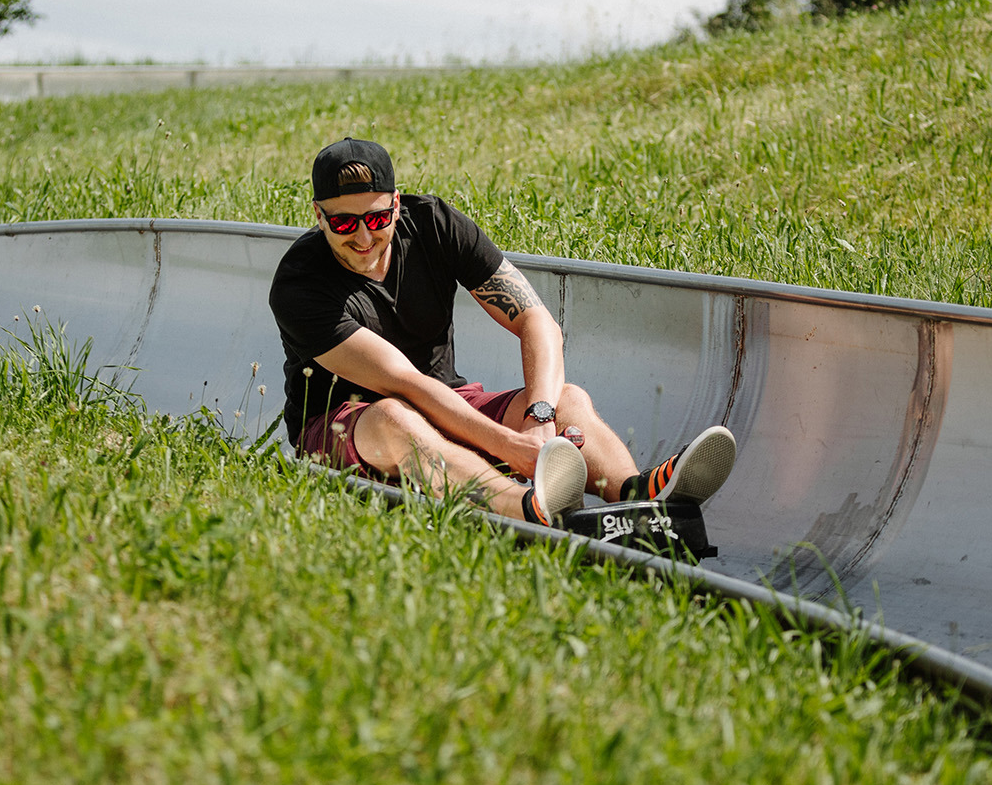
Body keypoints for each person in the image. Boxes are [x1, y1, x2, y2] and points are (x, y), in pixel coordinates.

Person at [269, 137, 735, 526]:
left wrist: (541, 419)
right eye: (344, 223)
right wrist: (516, 450)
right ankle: (529, 509)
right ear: (318, 216)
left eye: (375, 218)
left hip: (448, 403)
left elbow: (537, 322)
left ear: (395, 203)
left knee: (567, 398)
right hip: (347, 427)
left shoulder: (433, 224)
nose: (364, 237)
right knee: (395, 416)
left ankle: (638, 502)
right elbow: (404, 383)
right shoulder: (299, 285)